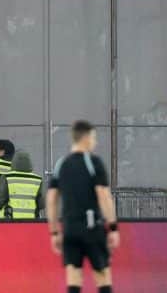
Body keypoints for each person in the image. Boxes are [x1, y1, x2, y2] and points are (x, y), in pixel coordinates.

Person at [47, 120, 119, 293]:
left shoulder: (60, 164)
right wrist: (113, 227)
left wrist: (55, 232)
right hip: (92, 227)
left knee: (73, 277)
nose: (95, 142)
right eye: (94, 137)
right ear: (86, 138)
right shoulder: (93, 162)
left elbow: (51, 199)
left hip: (70, 229)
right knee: (102, 276)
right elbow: (103, 195)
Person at [0, 151, 44, 220]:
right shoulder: (38, 179)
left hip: (9, 221)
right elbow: (42, 204)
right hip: (32, 222)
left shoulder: (7, 177)